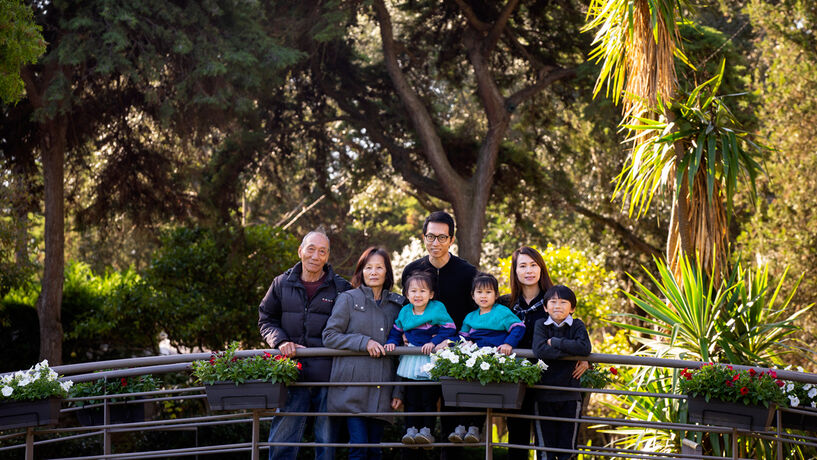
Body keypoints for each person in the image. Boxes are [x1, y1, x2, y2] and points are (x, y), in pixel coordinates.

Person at [258, 230, 352, 460]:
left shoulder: (342, 288)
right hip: (292, 374)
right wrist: (280, 341)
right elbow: (266, 319)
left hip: (328, 376)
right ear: (300, 251)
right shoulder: (281, 283)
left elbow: (352, 327)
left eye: (322, 251)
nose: (315, 256)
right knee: (282, 440)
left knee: (327, 442)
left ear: (328, 256)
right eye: (311, 249)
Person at [498, 246, 590, 460]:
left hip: (553, 382)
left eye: (533, 265)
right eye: (522, 266)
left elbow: (577, 332)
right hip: (516, 380)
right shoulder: (506, 304)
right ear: (515, 271)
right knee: (517, 438)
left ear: (541, 269)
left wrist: (586, 360)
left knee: (557, 444)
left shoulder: (554, 301)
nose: (528, 270)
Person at [400, 211, 477, 458]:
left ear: (451, 240)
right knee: (417, 418)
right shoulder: (413, 270)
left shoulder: (467, 272)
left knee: (452, 425)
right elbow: (406, 311)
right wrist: (402, 333)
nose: (436, 243)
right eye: (431, 236)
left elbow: (476, 312)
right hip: (418, 355)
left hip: (454, 354)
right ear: (423, 237)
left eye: (442, 237)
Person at [322, 247, 405, 460]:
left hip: (382, 390)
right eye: (369, 267)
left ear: (387, 272)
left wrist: (398, 390)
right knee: (358, 449)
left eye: (379, 267)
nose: (374, 272)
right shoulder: (348, 299)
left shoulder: (397, 305)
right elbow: (330, 335)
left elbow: (402, 353)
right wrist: (363, 342)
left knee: (374, 451)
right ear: (361, 271)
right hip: (352, 391)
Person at [384, 271, 457, 446]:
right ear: (407, 294)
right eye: (413, 291)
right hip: (411, 358)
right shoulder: (405, 312)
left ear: (431, 294)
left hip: (429, 359)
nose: (418, 295)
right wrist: (392, 342)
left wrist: (434, 341)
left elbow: (449, 329)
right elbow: (396, 331)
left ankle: (427, 430)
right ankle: (411, 429)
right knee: (411, 398)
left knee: (428, 398)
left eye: (423, 291)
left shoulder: (437, 308)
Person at [532, 285, 592, 460]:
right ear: (545, 307)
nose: (557, 305)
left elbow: (584, 347)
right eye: (553, 302)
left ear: (572, 308)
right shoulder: (541, 325)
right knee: (545, 450)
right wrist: (572, 353)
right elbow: (540, 350)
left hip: (570, 395)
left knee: (568, 450)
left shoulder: (578, 325)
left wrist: (555, 341)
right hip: (543, 395)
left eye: (563, 302)